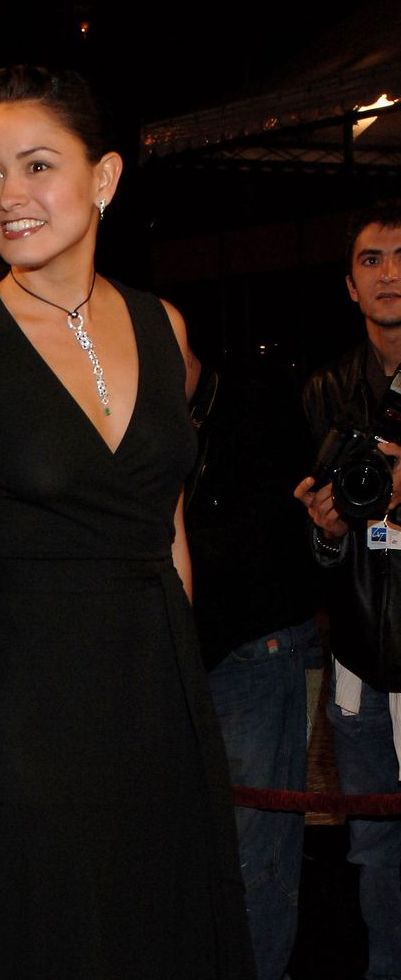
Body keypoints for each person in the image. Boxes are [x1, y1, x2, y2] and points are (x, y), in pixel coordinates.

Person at [0, 64, 254, 978]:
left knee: (170, 938)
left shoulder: (162, 325)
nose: (9, 196)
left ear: (104, 179)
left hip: (161, 694)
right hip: (28, 714)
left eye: (36, 166)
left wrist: (188, 689)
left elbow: (167, 528)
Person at [294, 201, 401, 980]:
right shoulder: (327, 392)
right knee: (373, 849)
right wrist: (326, 528)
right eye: (372, 260)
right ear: (350, 284)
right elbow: (317, 551)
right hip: (363, 658)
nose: (390, 274)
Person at [186, 359, 320, 980]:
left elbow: (268, 531)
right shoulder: (156, 417)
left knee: (256, 851)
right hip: (190, 656)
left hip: (254, 648)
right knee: (208, 850)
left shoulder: (257, 400)